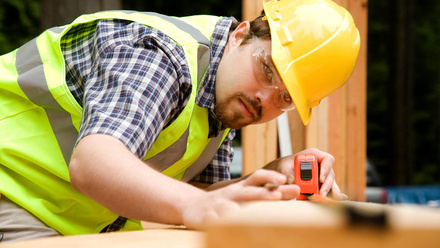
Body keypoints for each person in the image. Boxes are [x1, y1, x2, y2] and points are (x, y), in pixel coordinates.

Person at [0, 0, 360, 242]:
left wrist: (268, 179)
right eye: (267, 70)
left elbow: (196, 200)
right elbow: (95, 161)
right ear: (240, 35)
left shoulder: (223, 99)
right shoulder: (159, 56)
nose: (265, 98)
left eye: (286, 98)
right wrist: (197, 207)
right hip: (11, 188)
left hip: (60, 216)